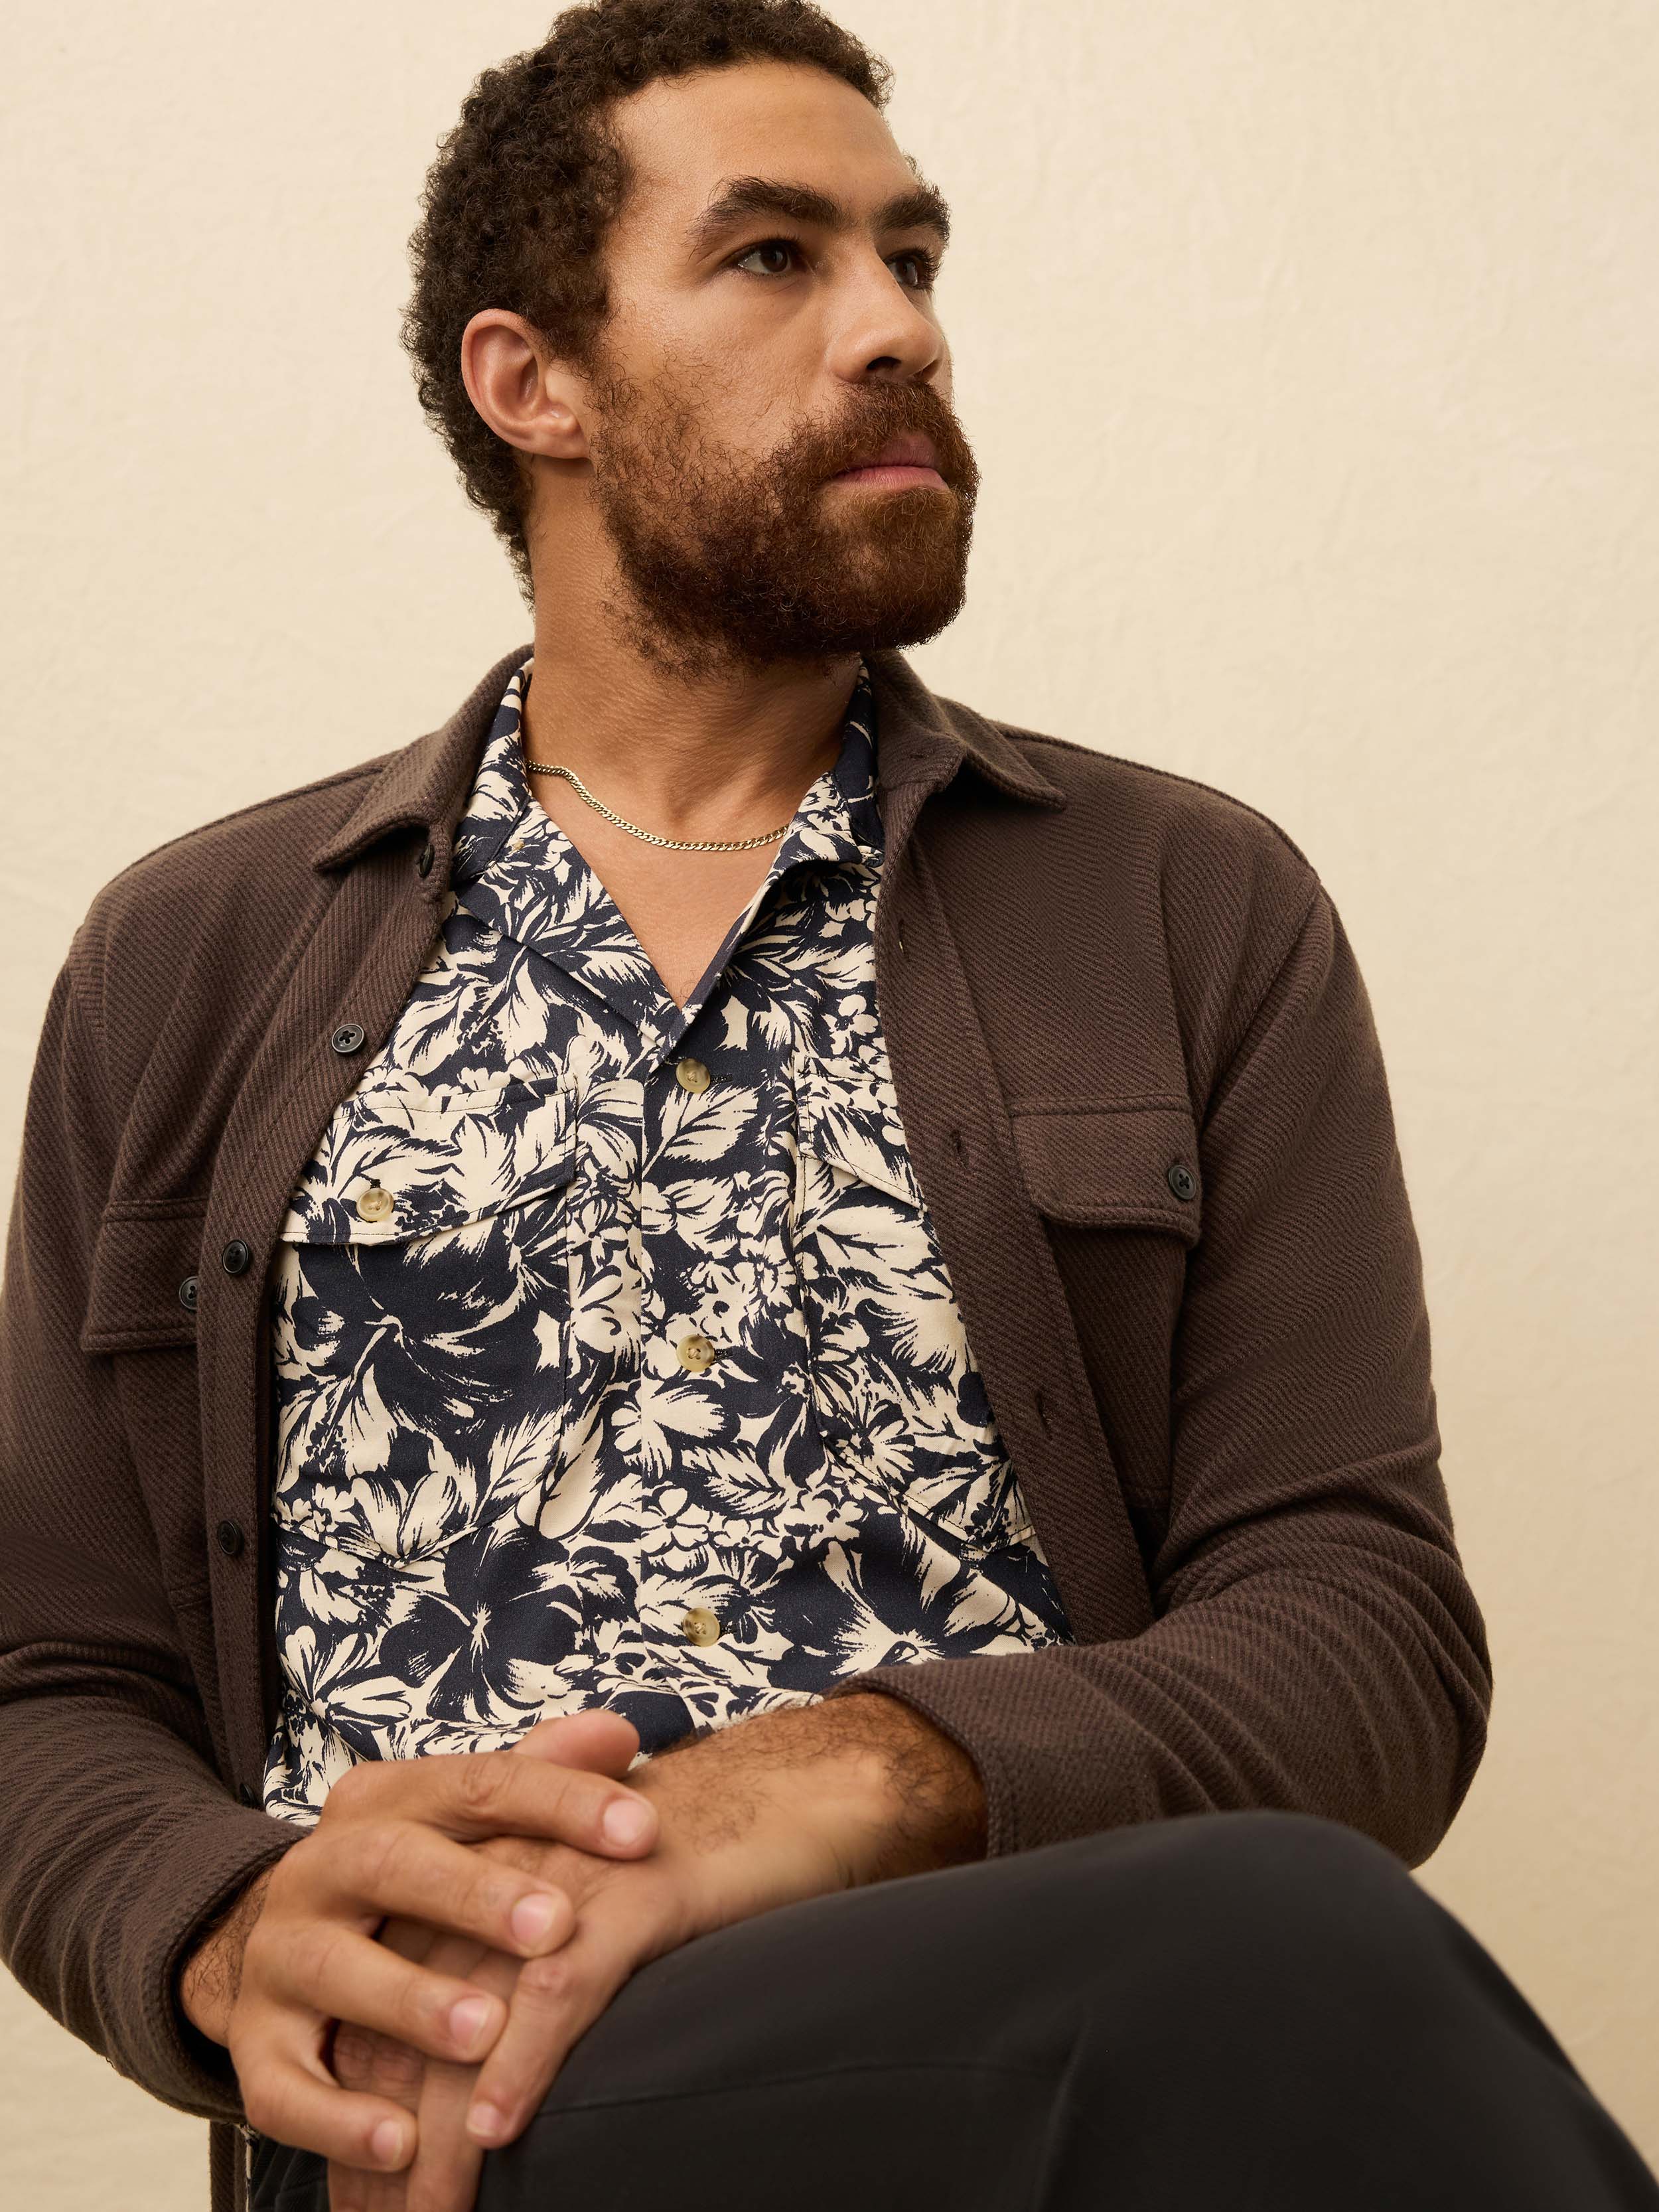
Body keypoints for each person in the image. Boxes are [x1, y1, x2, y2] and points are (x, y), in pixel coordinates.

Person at [1, 3, 1653, 2209]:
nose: (896, 331)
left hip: (1057, 2032)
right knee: (1283, 1956)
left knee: (1264, 1946)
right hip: (461, 2104)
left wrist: (827, 1785)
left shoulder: (1179, 906)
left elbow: (1359, 1637)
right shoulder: (189, 955)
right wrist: (216, 1932)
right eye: (776, 257)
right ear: (535, 384)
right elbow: (47, 1675)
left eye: (914, 259)